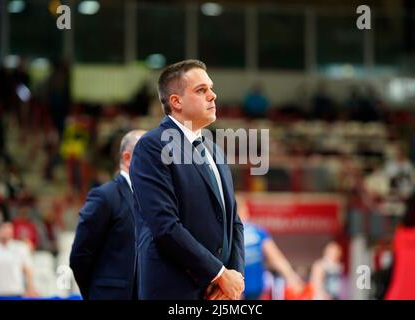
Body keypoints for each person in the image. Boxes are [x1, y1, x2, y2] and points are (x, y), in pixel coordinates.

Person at [130, 59, 245, 300]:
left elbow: (233, 222)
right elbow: (165, 226)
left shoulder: (215, 151)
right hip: (174, 291)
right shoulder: (151, 147)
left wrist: (232, 279)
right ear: (176, 101)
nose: (213, 96)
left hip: (220, 294)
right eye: (201, 90)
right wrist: (219, 274)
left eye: (211, 88)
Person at [70, 129, 145, 300]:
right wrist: (97, 292)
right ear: (127, 158)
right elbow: (80, 255)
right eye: (149, 154)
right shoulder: (105, 196)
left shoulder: (155, 198)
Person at [236, 195, 304, 300]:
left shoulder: (255, 232)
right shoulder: (256, 232)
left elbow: (275, 257)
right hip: (243, 287)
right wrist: (291, 276)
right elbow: (275, 257)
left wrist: (291, 276)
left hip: (243, 288)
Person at [0, 221, 38, 298]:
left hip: (16, 293)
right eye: (4, 228)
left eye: (9, 228)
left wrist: (30, 288)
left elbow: (28, 270)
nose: (7, 231)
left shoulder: (20, 247)